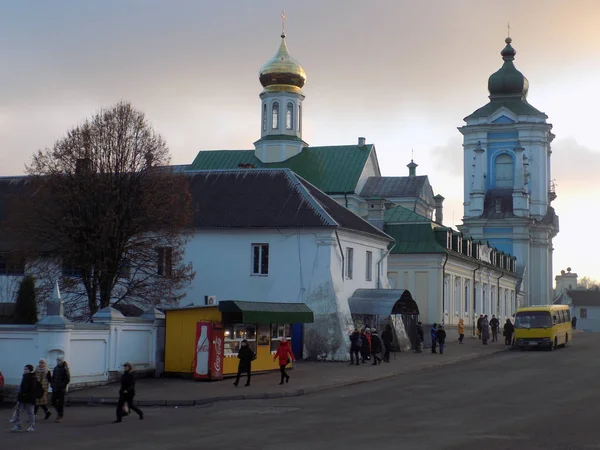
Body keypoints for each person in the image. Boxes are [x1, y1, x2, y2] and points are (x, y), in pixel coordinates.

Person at [11, 364, 37, 432]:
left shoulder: (33, 377)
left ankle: (32, 425)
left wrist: (24, 393)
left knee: (30, 412)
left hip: (29, 398)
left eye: (26, 369)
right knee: (20, 411)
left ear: (30, 370)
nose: (25, 370)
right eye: (24, 369)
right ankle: (18, 425)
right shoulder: (24, 377)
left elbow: (31, 388)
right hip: (22, 397)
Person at [51, 355, 70, 423]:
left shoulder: (65, 368)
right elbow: (53, 378)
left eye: (58, 360)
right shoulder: (56, 368)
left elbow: (67, 379)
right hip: (55, 388)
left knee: (60, 403)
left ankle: (60, 415)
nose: (57, 361)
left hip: (61, 389)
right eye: (57, 360)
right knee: (53, 401)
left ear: (62, 361)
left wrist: (62, 385)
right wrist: (52, 384)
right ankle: (59, 412)